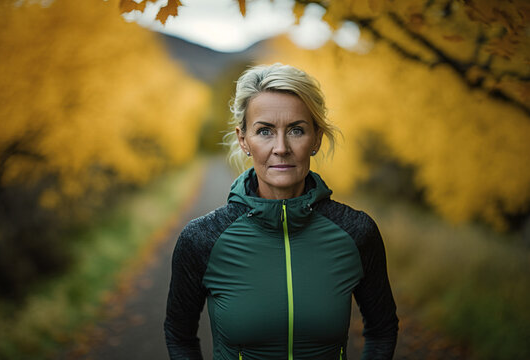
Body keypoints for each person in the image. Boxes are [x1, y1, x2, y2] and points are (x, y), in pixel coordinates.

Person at [164, 63, 398, 360]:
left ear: (316, 138)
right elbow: (179, 335)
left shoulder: (356, 232)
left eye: (297, 130)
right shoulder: (202, 239)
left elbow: (382, 330)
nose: (281, 147)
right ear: (243, 140)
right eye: (264, 131)